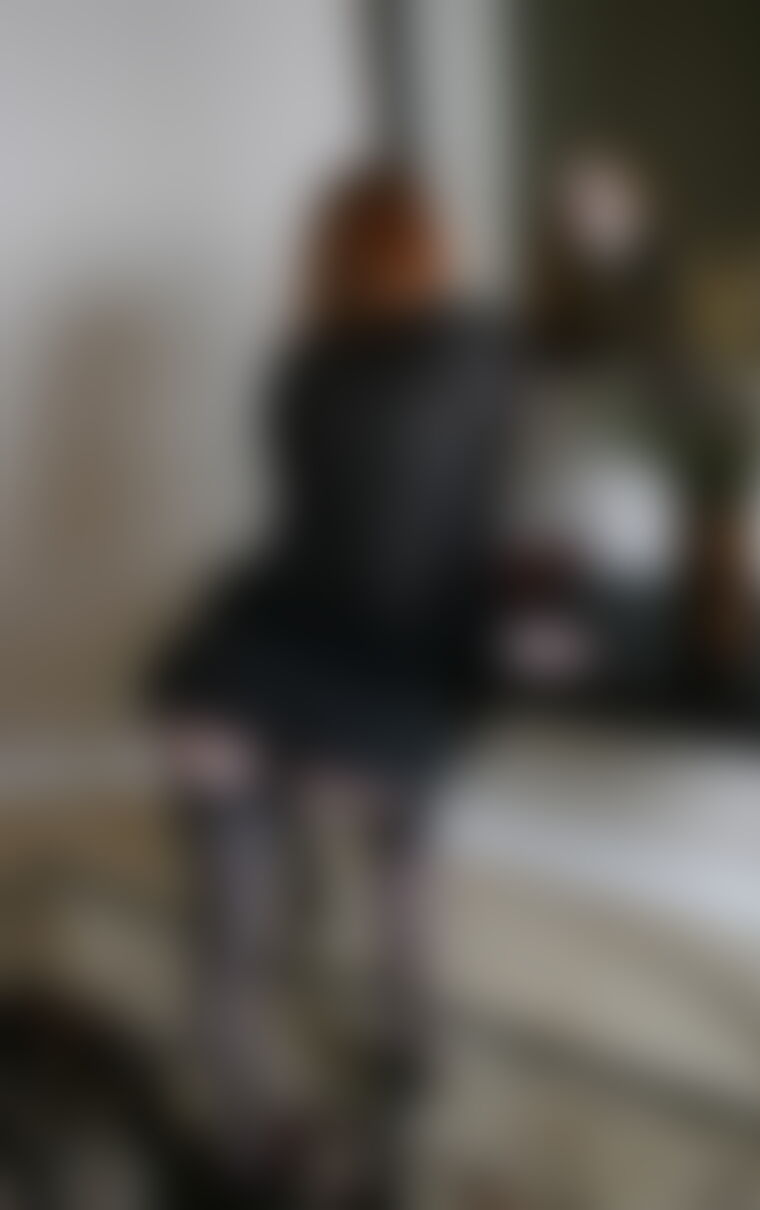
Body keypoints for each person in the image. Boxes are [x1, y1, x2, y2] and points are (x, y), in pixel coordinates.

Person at [150, 165, 511, 1204]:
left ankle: (249, 1140)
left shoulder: (298, 366)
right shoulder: (484, 356)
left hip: (235, 676)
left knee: (230, 923)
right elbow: (466, 540)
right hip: (379, 696)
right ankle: (411, 1049)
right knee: (404, 867)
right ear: (432, 249)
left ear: (326, 257)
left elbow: (313, 533)